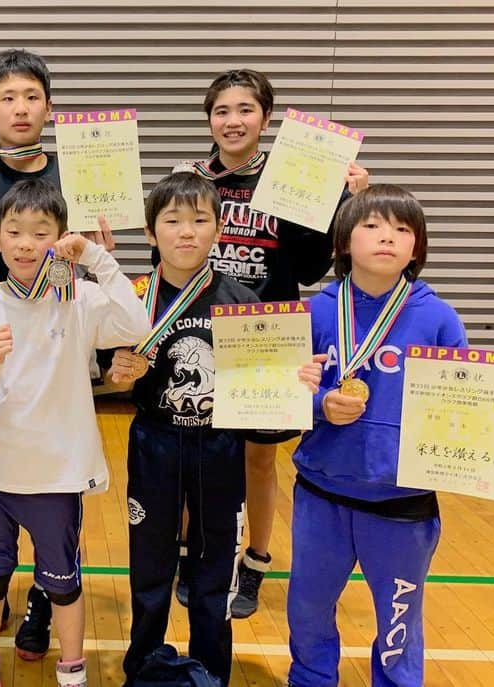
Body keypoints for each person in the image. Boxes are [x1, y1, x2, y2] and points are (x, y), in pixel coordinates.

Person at [286, 185, 494, 686]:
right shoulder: (313, 312)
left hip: (403, 507)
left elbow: (467, 404)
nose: (388, 237)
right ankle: (310, 679)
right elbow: (276, 396)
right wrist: (318, 404)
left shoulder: (437, 317)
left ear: (417, 248)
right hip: (321, 494)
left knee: (399, 623)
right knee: (308, 608)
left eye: (403, 230)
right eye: (372, 226)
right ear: (343, 241)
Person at [169, 69, 370, 617]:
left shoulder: (294, 179)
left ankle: (255, 561)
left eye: (245, 110)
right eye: (221, 111)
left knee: (260, 460)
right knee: (195, 455)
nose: (233, 121)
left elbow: (308, 268)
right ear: (209, 119)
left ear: (266, 116)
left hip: (269, 333)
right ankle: (192, 555)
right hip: (200, 332)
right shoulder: (188, 178)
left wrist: (337, 204)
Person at [109, 172, 323, 686]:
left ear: (220, 227)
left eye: (200, 220)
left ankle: (212, 669)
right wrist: (116, 373)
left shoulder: (244, 301)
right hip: (154, 442)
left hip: (220, 447)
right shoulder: (132, 299)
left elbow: (268, 391)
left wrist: (294, 382)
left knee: (213, 570)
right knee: (150, 564)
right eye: (173, 220)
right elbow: (101, 370)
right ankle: (143, 663)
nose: (187, 232)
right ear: (150, 230)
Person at [0, 178, 151, 687]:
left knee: (63, 583)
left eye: (41, 232)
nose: (26, 243)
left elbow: (135, 326)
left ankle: (72, 669)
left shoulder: (80, 297)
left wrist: (97, 257)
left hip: (59, 475)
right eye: (15, 231)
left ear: (61, 238)